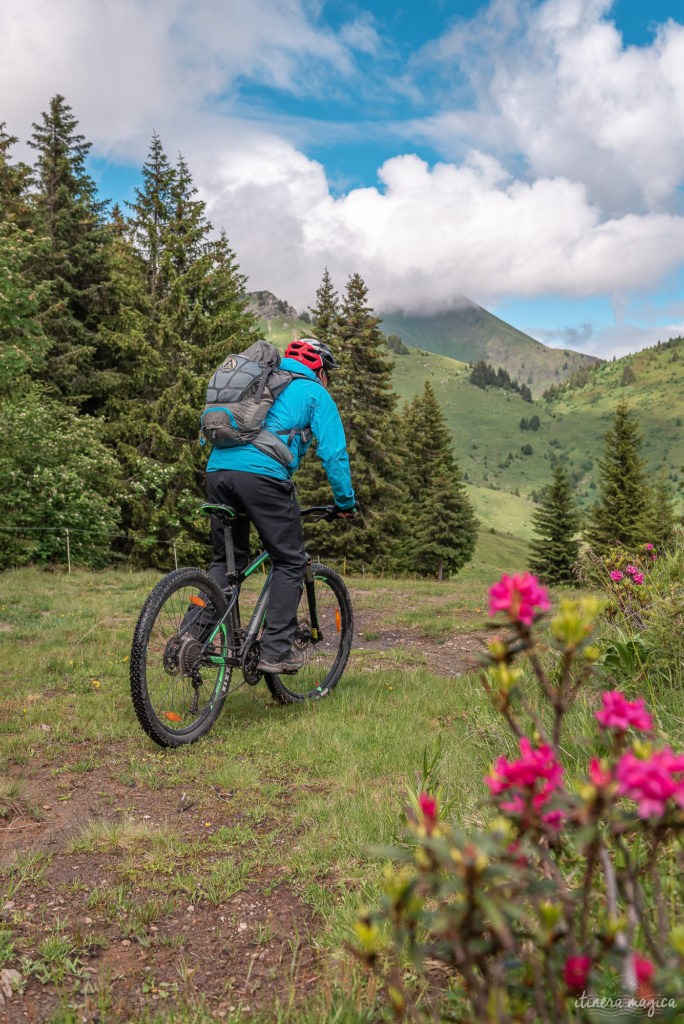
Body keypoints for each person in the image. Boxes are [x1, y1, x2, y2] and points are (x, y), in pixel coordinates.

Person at [204, 337, 357, 674]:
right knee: (289, 561)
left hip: (217, 473)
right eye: (328, 373)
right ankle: (274, 651)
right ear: (319, 368)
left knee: (224, 562)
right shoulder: (314, 391)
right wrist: (345, 502)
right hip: (262, 478)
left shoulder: (258, 381)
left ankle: (192, 638)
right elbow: (334, 454)